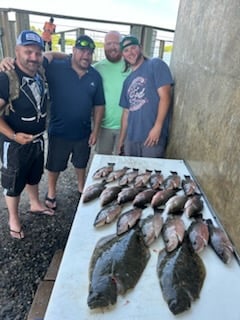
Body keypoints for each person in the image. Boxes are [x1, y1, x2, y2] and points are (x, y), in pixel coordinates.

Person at [0, 34, 105, 211]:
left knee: (81, 163)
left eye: (89, 52)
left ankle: (81, 189)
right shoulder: (54, 67)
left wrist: (96, 130)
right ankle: (51, 193)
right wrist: (6, 60)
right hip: (58, 131)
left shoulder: (95, 76)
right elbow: (44, 57)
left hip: (83, 131)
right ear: (74, 51)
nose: (85, 56)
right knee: (53, 165)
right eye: (81, 51)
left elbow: (99, 104)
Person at [0, 30, 54, 239]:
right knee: (13, 183)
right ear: (16, 51)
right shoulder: (6, 78)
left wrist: (71, 56)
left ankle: (35, 204)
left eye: (38, 52)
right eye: (28, 51)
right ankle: (13, 218)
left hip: (37, 139)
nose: (33, 57)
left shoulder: (39, 69)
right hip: (14, 144)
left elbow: (54, 55)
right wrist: (13, 136)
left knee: (33, 174)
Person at [118, 35, 174, 158]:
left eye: (133, 48)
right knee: (131, 175)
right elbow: (126, 112)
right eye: (126, 50)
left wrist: (157, 127)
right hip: (131, 139)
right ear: (123, 55)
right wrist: (121, 140)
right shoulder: (127, 81)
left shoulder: (155, 64)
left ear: (140, 48)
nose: (130, 53)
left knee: (149, 175)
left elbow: (165, 97)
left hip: (151, 136)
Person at [94, 31, 130, 155]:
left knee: (123, 164)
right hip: (104, 127)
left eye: (116, 43)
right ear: (104, 46)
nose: (112, 47)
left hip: (127, 127)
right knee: (102, 163)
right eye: (109, 43)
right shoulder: (96, 68)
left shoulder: (131, 65)